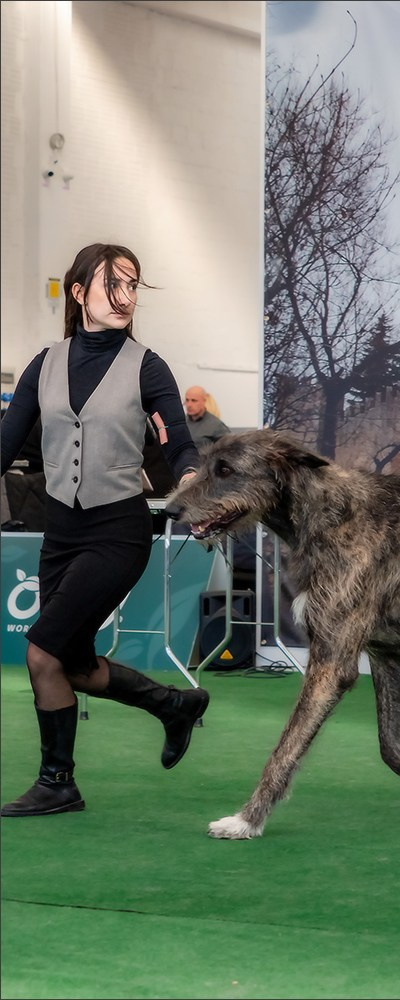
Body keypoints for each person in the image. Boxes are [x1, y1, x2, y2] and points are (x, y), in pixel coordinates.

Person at [0, 243, 209, 818]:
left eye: (132, 285)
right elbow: (7, 441)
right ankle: (173, 706)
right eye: (112, 284)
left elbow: (177, 441)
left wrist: (192, 478)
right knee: (72, 665)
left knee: (41, 651)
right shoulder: (45, 363)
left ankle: (57, 782)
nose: (125, 296)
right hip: (60, 533)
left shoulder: (147, 366)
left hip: (118, 531)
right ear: (78, 292)